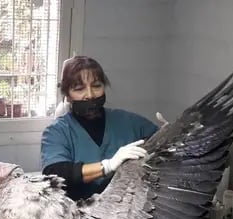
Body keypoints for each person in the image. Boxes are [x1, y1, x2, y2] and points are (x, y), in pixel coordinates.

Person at [41, 56, 163, 201]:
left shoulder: (128, 121)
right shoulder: (57, 132)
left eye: (97, 86)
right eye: (80, 89)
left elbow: (162, 145)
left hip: (128, 210)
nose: (90, 95)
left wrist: (171, 133)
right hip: (80, 215)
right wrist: (108, 166)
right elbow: (55, 173)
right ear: (68, 95)